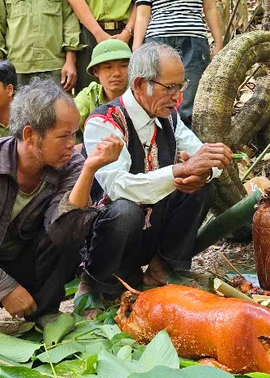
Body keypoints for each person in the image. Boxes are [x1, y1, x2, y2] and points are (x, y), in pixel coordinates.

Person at [0, 79, 123, 350]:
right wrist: (3, 288)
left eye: (75, 134)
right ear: (30, 135)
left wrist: (88, 171)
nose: (71, 144)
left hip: (33, 264)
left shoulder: (71, 165)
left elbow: (65, 232)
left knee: (72, 224)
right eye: (63, 136)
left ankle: (43, 309)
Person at [79, 43, 234, 310]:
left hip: (151, 228)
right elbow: (117, 188)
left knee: (202, 185)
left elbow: (200, 155)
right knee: (125, 210)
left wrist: (205, 171)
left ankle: (162, 268)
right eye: (169, 88)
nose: (177, 97)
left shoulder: (169, 118)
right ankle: (96, 283)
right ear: (140, 84)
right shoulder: (103, 122)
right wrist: (180, 170)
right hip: (109, 237)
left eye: (181, 86)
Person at [74, 39, 132, 128]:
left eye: (123, 66)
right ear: (96, 71)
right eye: (108, 67)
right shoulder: (89, 96)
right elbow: (66, 123)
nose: (116, 73)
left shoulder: (139, 95)